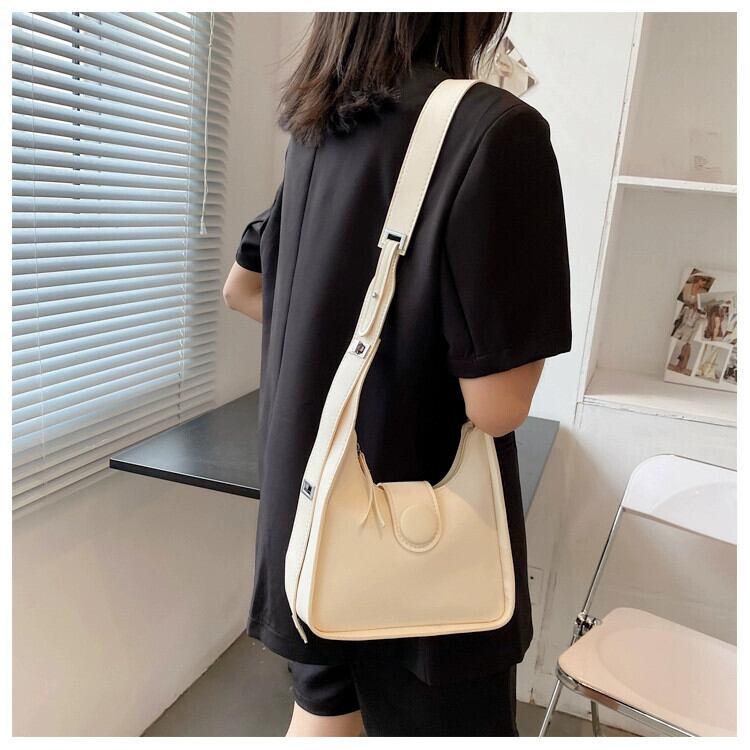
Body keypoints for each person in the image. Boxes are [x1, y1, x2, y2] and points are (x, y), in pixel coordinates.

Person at [223, 12, 572, 737]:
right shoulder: (496, 132)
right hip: (418, 542)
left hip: (311, 519)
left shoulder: (315, 128)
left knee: (324, 713)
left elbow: (245, 289)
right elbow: (499, 405)